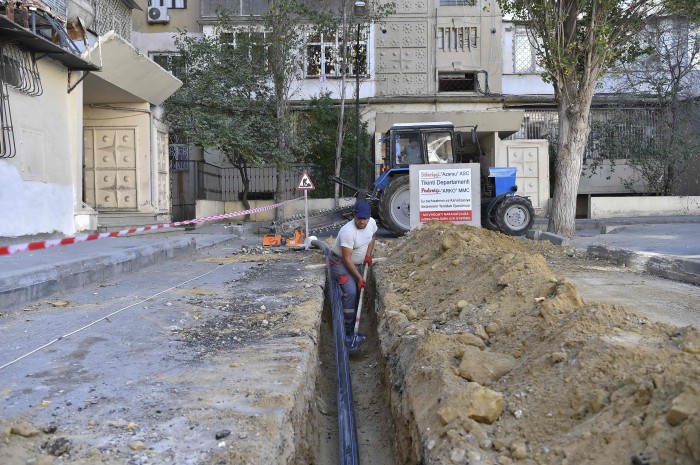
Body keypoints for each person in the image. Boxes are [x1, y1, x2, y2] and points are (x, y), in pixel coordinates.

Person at [329, 201, 378, 335]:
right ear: (354, 216)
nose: (363, 222)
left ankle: (355, 321)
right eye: (360, 218)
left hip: (355, 264)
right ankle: (346, 330)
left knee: (358, 290)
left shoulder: (371, 223)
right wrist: (359, 278)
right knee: (351, 292)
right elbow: (346, 259)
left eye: (365, 218)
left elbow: (373, 236)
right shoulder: (348, 232)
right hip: (340, 263)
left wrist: (368, 254)